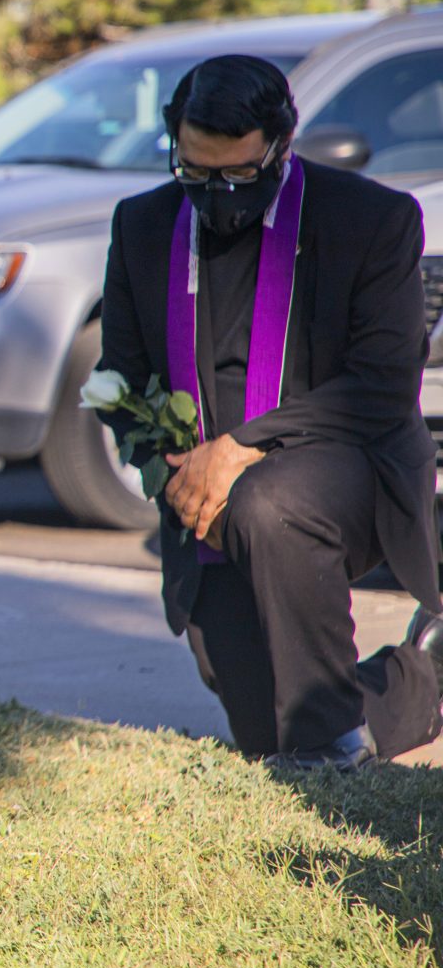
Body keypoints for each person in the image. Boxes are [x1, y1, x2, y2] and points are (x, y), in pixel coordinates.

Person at [96, 55, 443, 771]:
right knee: (266, 732)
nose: (218, 196)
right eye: (195, 175)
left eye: (239, 177)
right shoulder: (141, 225)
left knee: (269, 502)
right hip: (207, 493)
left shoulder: (371, 220)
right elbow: (120, 379)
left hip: (349, 467)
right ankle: (421, 678)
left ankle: (329, 757)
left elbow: (379, 389)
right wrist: (167, 465)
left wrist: (241, 449)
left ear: (282, 146)